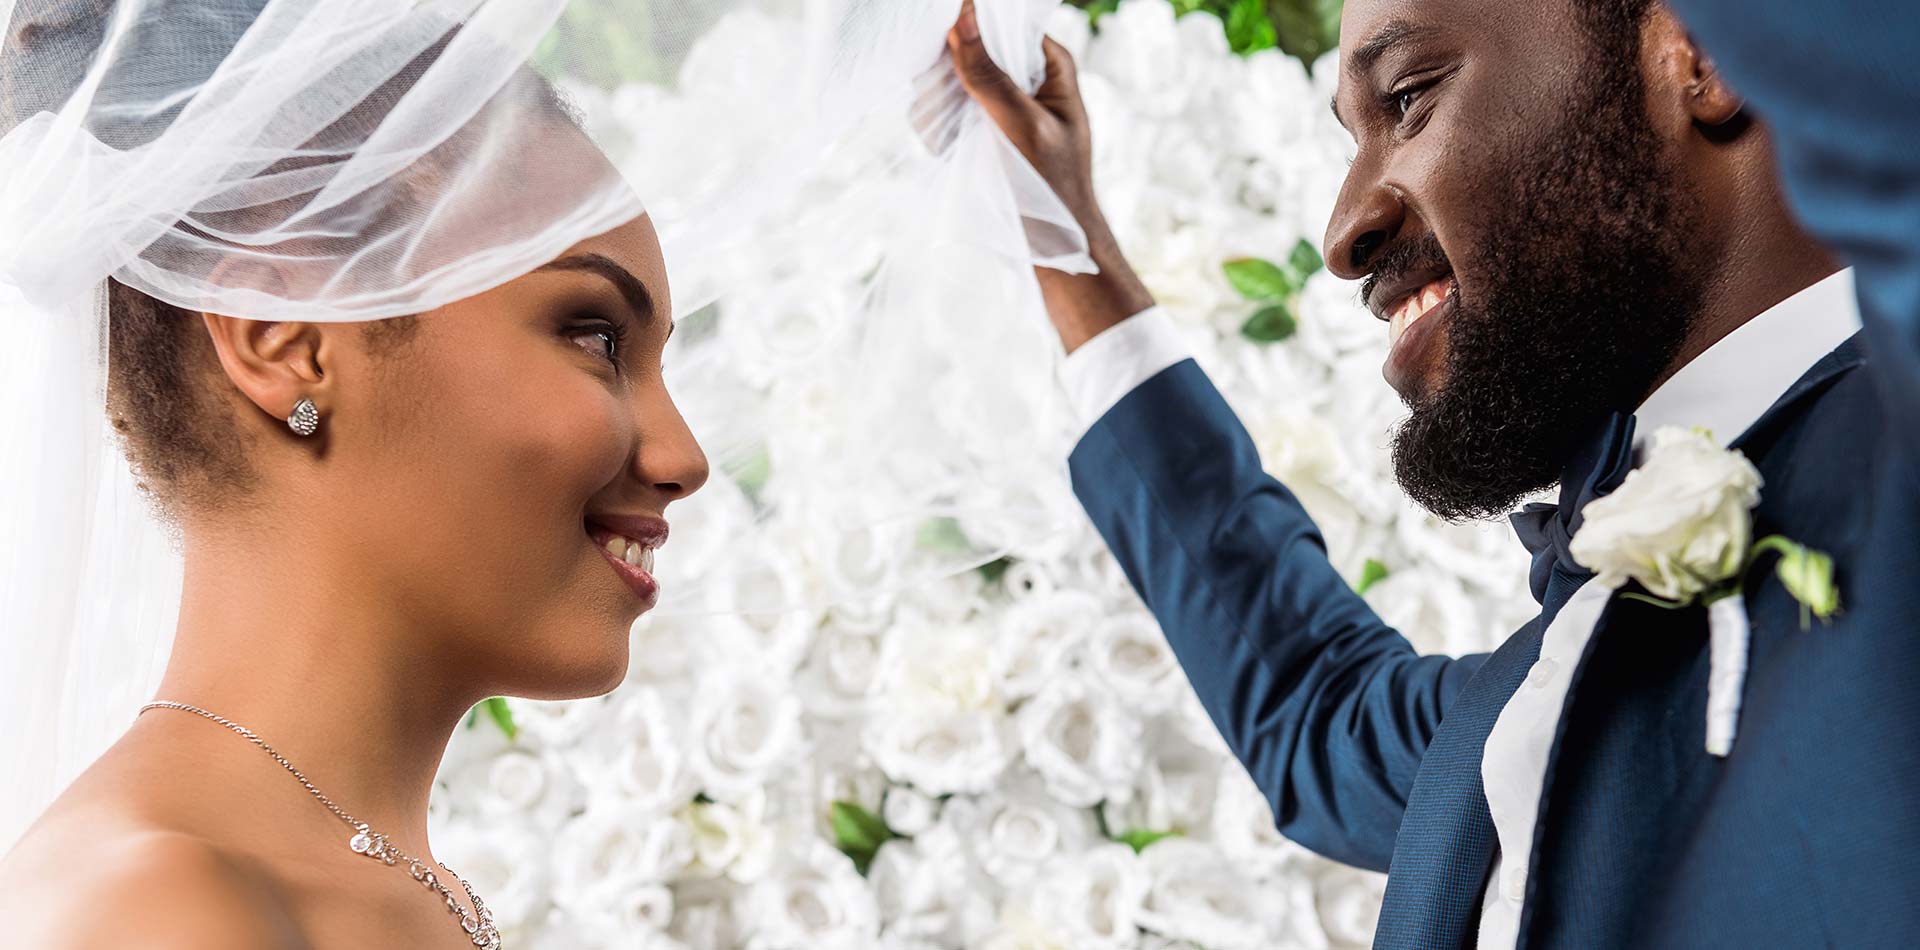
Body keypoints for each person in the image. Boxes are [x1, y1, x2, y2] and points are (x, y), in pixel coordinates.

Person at [0, 0, 1080, 945]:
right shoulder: (157, 912)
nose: (685, 457)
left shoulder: (372, 886)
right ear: (287, 334)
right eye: (594, 335)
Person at [947, 0, 1918, 946]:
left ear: (1703, 52)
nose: (1343, 234)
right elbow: (1313, 709)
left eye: (1409, 97)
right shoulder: (1529, 698)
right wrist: (1063, 239)